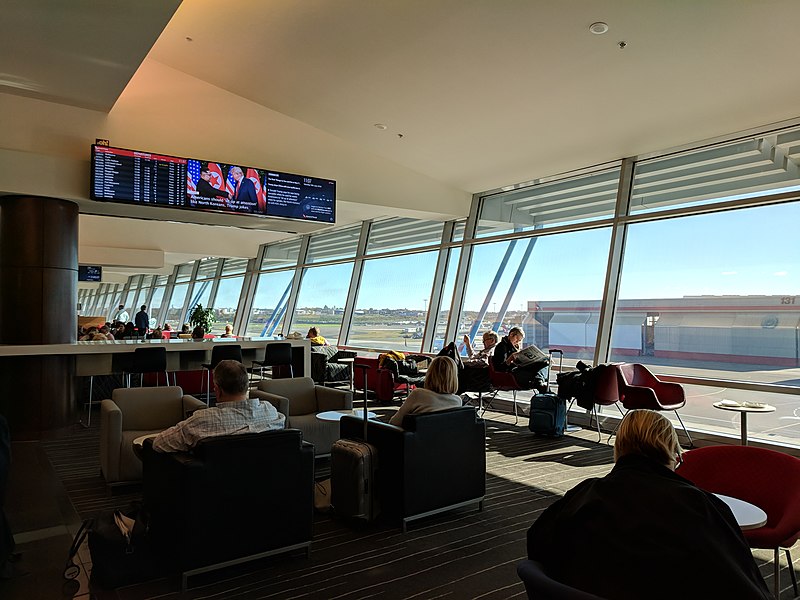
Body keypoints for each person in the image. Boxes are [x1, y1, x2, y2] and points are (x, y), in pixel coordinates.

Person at [526, 410, 771, 600]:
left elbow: (538, 544)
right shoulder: (699, 507)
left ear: (619, 449)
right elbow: (742, 586)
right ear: (672, 452)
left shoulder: (583, 495)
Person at [152, 360, 285, 453]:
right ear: (246, 386)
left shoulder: (202, 420)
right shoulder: (271, 412)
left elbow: (159, 444)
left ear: (217, 389)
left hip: (214, 486)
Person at [389, 356, 461, 427]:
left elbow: (394, 423)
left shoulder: (418, 394)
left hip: (412, 437)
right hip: (441, 438)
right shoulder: (457, 401)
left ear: (430, 374)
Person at [491, 326, 547, 392]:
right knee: (541, 382)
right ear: (511, 334)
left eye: (519, 341)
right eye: (517, 339)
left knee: (545, 363)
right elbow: (500, 368)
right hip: (511, 375)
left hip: (520, 370)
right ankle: (540, 382)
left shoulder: (515, 347)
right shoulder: (501, 347)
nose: (517, 342)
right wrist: (510, 359)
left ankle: (539, 381)